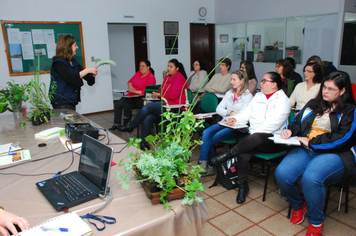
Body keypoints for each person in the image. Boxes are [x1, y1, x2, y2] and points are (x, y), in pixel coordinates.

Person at [275, 71, 356, 236]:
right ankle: (299, 205)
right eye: (324, 87)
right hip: (307, 148)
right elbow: (298, 122)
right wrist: (290, 130)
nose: (325, 91)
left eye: (331, 89)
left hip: (336, 153)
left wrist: (312, 142)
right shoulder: (314, 103)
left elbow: (344, 139)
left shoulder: (350, 110)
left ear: (342, 91)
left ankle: (316, 221)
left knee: (311, 178)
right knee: (282, 173)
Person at [212, 72, 291, 204]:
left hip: (273, 140)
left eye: (264, 81)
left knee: (254, 139)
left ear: (274, 84)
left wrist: (253, 133)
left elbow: (272, 124)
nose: (261, 83)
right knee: (244, 153)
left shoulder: (284, 101)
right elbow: (246, 113)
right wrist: (235, 118)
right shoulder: (258, 96)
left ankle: (228, 154)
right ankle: (243, 186)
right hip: (254, 138)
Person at [119, 59, 188, 150]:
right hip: (165, 104)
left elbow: (173, 95)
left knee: (148, 106)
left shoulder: (179, 78)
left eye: (171, 67)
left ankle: (131, 126)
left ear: (177, 68)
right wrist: (157, 94)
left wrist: (160, 94)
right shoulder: (167, 77)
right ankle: (144, 144)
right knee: (148, 118)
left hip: (174, 107)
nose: (168, 68)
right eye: (168, 66)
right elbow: (161, 89)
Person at [198, 70, 253, 176]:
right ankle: (204, 162)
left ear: (242, 81)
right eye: (231, 79)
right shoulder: (229, 93)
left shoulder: (248, 96)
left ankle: (210, 166)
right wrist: (230, 112)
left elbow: (244, 114)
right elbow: (218, 109)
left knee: (210, 139)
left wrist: (232, 116)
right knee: (206, 133)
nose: (231, 82)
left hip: (237, 127)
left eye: (234, 79)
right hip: (224, 122)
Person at [49, 35, 98, 110]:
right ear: (67, 47)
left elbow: (89, 80)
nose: (77, 47)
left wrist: (92, 75)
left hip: (71, 100)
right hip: (61, 101)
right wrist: (87, 70)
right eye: (75, 45)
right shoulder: (58, 63)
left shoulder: (74, 61)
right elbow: (70, 78)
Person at [109, 60, 156, 131]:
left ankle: (126, 124)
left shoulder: (151, 78)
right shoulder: (138, 73)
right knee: (117, 105)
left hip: (140, 98)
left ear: (148, 67)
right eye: (140, 66)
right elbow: (129, 82)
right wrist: (130, 87)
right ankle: (116, 124)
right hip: (130, 95)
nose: (141, 68)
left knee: (126, 104)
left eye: (143, 66)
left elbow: (146, 92)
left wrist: (135, 91)